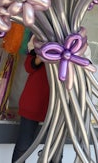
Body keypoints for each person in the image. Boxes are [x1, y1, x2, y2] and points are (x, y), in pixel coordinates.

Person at [12, 35, 61, 163]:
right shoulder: (40, 37)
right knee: (23, 146)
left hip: (58, 104)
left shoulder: (73, 40)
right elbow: (29, 66)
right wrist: (42, 56)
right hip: (34, 100)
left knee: (55, 150)